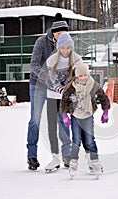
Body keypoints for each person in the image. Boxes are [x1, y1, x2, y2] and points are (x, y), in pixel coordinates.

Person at [26, 13, 68, 170]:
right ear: (54, 32)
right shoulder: (41, 42)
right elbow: (34, 65)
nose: (62, 37)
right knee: (35, 119)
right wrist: (48, 77)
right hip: (38, 85)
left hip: (56, 88)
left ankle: (67, 154)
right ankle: (32, 155)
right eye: (60, 34)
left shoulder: (66, 45)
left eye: (65, 34)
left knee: (62, 119)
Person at [60, 62, 110, 175]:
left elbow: (103, 97)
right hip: (75, 117)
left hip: (87, 116)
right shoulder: (71, 87)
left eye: (85, 75)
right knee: (76, 141)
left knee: (89, 140)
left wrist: (105, 111)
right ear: (76, 76)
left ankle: (95, 162)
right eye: (80, 75)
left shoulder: (93, 85)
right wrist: (64, 115)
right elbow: (64, 101)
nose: (83, 78)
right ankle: (73, 163)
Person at [44, 32, 82, 171]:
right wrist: (60, 89)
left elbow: (79, 77)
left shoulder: (77, 59)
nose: (65, 51)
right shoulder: (51, 60)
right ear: (58, 48)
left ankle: (67, 155)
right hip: (53, 96)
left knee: (66, 125)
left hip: (68, 98)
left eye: (68, 47)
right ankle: (55, 157)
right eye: (62, 48)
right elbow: (52, 80)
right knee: (52, 127)